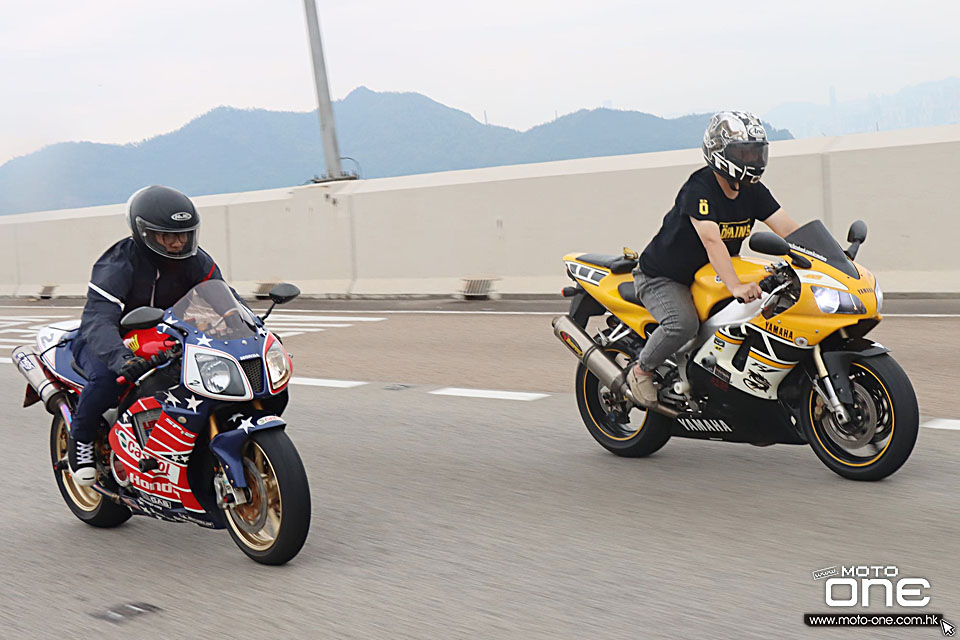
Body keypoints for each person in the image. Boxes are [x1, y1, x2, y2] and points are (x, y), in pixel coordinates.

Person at [626, 111, 801, 405]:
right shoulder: (699, 188)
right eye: (743, 153)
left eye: (756, 152)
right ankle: (641, 370)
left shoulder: (752, 190)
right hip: (665, 277)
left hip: (710, 275)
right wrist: (735, 286)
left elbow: (788, 228)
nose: (752, 160)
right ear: (719, 152)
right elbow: (711, 239)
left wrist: (830, 256)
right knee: (682, 324)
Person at [68, 185, 228, 486]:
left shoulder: (196, 260)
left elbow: (223, 298)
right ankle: (81, 440)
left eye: (184, 234)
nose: (178, 242)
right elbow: (98, 320)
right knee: (107, 380)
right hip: (111, 340)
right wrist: (121, 359)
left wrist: (249, 327)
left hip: (164, 335)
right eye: (168, 236)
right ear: (146, 234)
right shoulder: (118, 263)